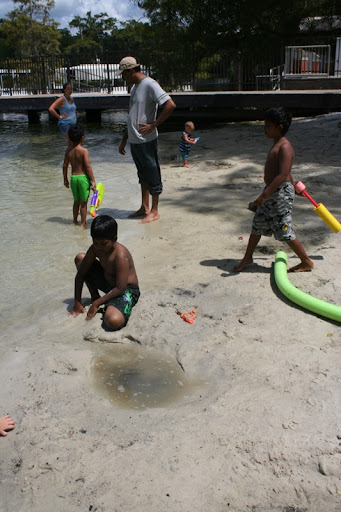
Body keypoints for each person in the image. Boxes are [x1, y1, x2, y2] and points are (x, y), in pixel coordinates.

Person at [233, 107, 314, 273]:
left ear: (280, 127)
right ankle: (247, 258)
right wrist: (295, 186)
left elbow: (283, 175)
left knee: (283, 229)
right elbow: (287, 173)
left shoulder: (285, 147)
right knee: (258, 224)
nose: (265, 128)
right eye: (265, 124)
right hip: (273, 192)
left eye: (268, 125)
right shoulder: (277, 144)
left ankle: (306, 261)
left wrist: (264, 195)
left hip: (279, 194)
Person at [117, 56, 176, 224]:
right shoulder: (135, 88)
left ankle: (155, 211)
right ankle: (144, 207)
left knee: (152, 173)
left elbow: (170, 105)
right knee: (142, 175)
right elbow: (132, 116)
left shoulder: (150, 84)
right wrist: (124, 140)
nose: (123, 78)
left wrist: (154, 125)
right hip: (135, 141)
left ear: (130, 71)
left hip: (146, 140)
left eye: (123, 74)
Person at [69, 215, 140, 331]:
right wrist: (77, 302)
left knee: (113, 321)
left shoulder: (120, 255)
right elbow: (80, 276)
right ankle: (94, 295)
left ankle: (104, 302)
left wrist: (97, 303)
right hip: (109, 284)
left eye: (103, 243)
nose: (99, 247)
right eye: (95, 242)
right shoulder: (95, 249)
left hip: (126, 290)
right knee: (80, 259)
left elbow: (120, 289)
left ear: (114, 239)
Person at [63, 125, 96, 227]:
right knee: (84, 203)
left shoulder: (68, 151)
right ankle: (83, 223)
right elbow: (87, 167)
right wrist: (93, 181)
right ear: (82, 138)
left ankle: (74, 221)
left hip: (73, 178)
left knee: (76, 201)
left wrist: (65, 180)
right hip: (83, 179)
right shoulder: (83, 151)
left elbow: (65, 166)